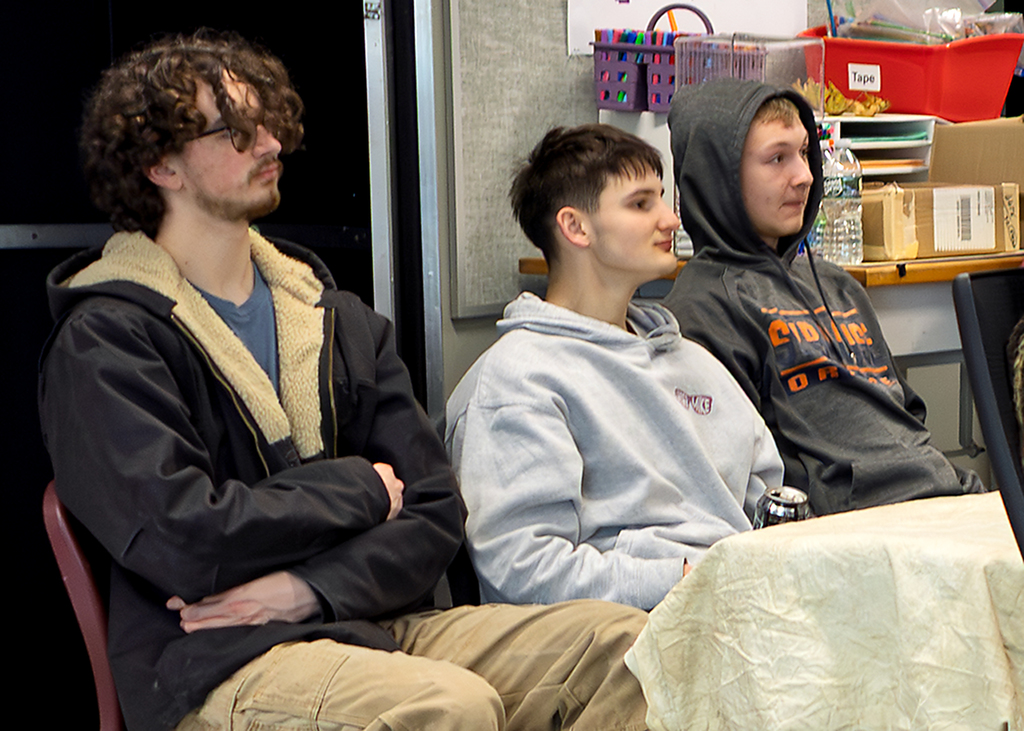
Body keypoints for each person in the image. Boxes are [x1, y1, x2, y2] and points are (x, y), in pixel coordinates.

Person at [38, 31, 649, 731]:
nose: (271, 143)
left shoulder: (338, 319)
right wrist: (361, 488)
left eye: (269, 122)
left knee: (628, 646)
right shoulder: (105, 340)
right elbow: (185, 538)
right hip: (214, 660)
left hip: (369, 621)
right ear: (160, 165)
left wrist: (308, 587)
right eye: (235, 131)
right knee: (451, 706)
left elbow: (434, 513)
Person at [445, 124, 784, 610]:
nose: (670, 220)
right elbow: (522, 570)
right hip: (638, 624)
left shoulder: (693, 361)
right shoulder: (518, 380)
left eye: (663, 199)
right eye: (641, 204)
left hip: (751, 600)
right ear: (576, 227)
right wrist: (682, 579)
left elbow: (770, 503)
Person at [661, 78, 985, 516]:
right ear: (720, 177)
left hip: (945, 493)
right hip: (854, 522)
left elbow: (906, 411)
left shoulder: (837, 285)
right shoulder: (703, 308)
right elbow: (744, 475)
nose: (805, 176)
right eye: (777, 158)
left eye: (803, 152)